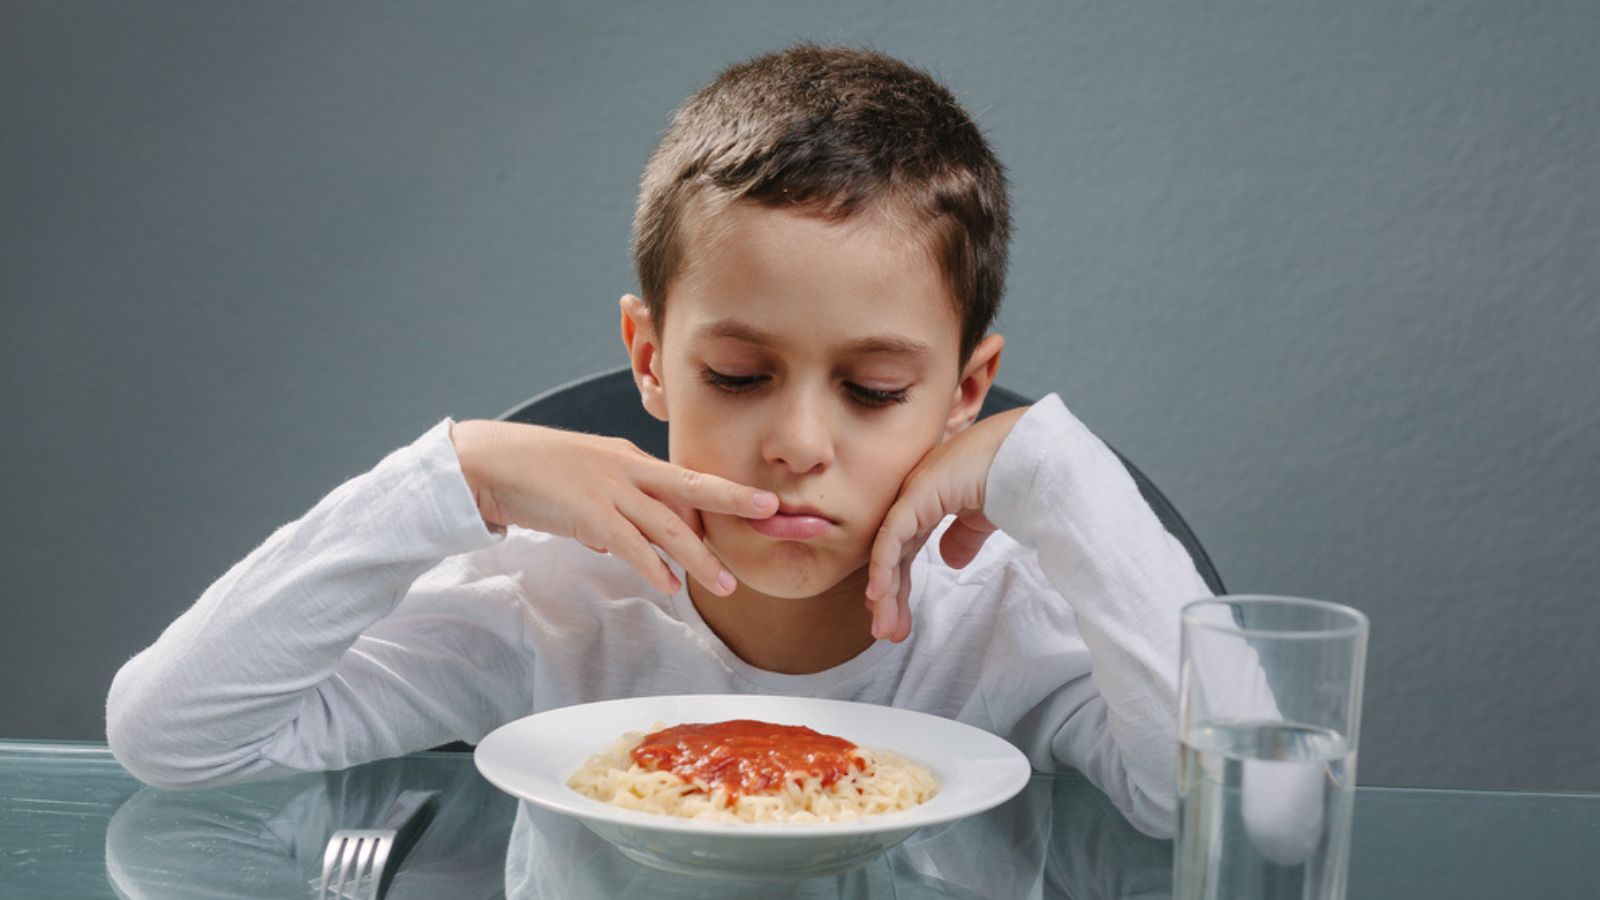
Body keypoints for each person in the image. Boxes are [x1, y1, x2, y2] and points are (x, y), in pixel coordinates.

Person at [106, 44, 1211, 839]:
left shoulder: (1010, 619)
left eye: (873, 389)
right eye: (737, 376)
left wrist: (1052, 472)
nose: (795, 444)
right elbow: (176, 738)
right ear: (649, 360)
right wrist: (456, 474)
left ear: (965, 387)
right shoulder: (552, 603)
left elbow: (1226, 807)